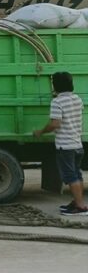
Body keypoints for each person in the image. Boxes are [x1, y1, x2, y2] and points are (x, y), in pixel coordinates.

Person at [33, 72, 87, 216]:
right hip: (77, 144)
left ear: (55, 85)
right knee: (76, 174)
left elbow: (55, 124)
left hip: (66, 146)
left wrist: (40, 132)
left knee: (71, 176)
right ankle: (77, 202)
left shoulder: (57, 102)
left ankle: (80, 207)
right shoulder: (77, 99)